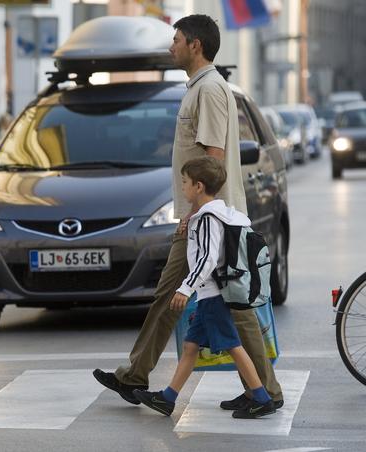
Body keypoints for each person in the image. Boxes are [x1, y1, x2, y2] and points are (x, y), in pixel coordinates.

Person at [93, 14, 284, 412]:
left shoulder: (211, 89)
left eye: (176, 39)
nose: (171, 46)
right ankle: (136, 375)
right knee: (178, 296)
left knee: (233, 305)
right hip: (201, 216)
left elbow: (212, 159)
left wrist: (194, 215)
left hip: (209, 220)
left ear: (195, 45)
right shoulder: (199, 88)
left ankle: (266, 391)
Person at [133, 157, 277, 419]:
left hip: (213, 295)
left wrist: (185, 288)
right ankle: (167, 398)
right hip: (211, 294)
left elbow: (208, 258)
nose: (183, 187)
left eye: (185, 182)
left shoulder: (209, 218)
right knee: (191, 346)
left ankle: (261, 397)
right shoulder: (226, 214)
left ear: (199, 186)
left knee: (234, 346)